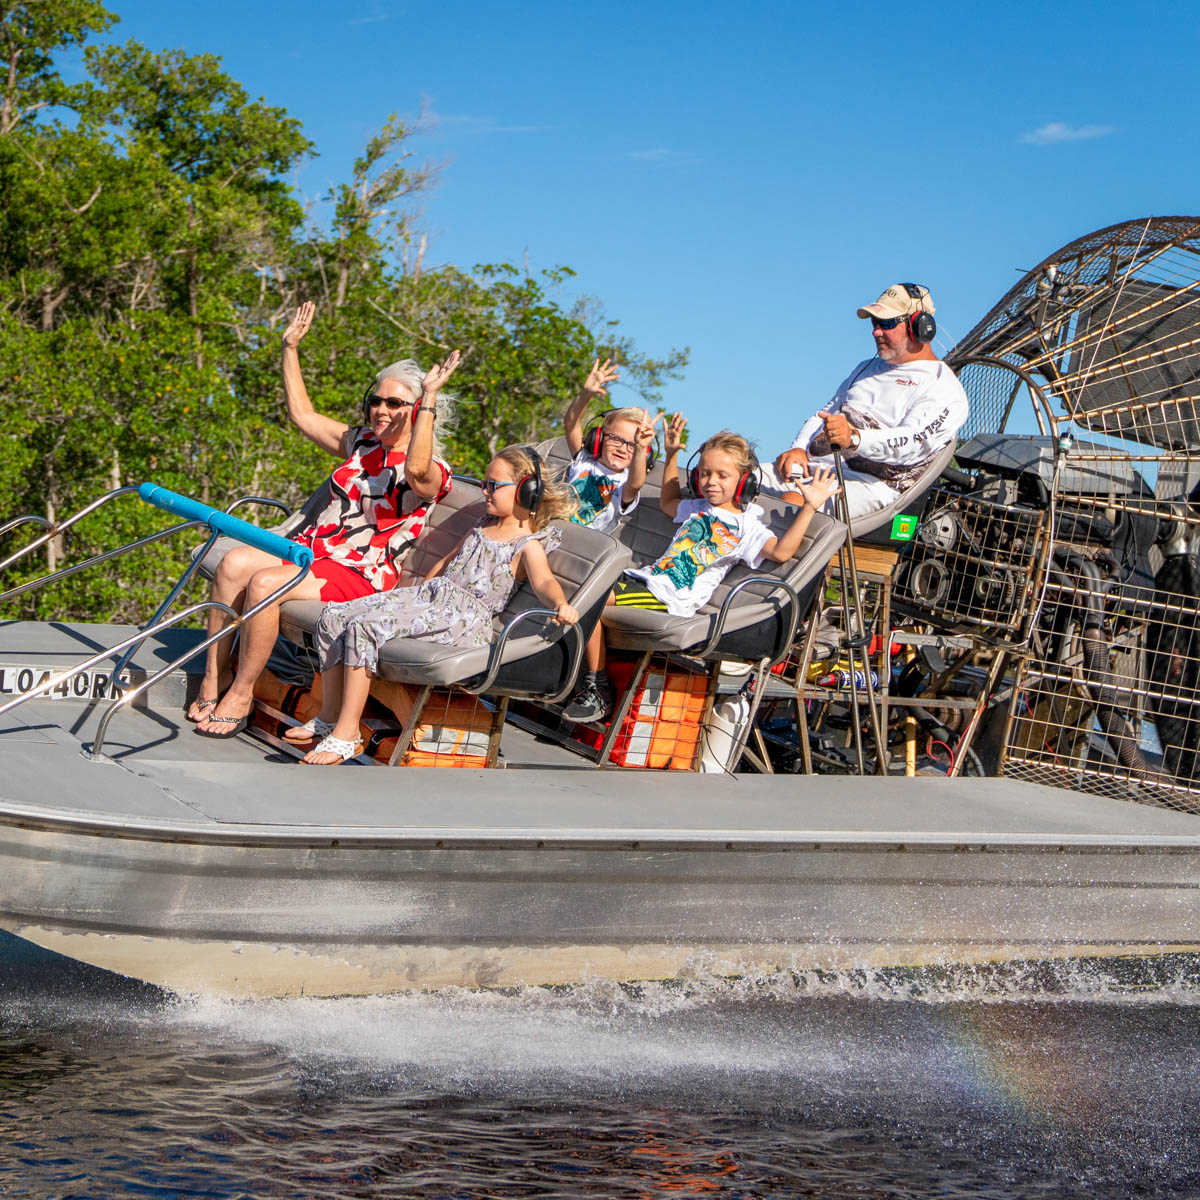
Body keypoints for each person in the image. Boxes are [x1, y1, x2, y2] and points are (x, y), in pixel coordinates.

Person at [191, 300, 459, 737]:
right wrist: (289, 348)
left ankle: (241, 692)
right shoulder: (362, 443)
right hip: (313, 553)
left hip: (362, 572)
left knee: (262, 584)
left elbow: (414, 473)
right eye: (375, 401)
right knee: (233, 563)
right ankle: (213, 677)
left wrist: (427, 398)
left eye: (395, 403)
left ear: (417, 411)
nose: (381, 410)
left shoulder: (432, 470)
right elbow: (303, 415)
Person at [290, 446, 581, 764]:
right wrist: (415, 594)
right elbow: (445, 564)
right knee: (334, 615)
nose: (485, 490)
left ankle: (347, 734)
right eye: (485, 483)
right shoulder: (483, 524)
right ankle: (329, 716)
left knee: (364, 628)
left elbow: (544, 582)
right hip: (433, 599)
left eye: (494, 486)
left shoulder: (529, 544)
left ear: (526, 489)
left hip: (463, 618)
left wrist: (561, 604)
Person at [563, 419, 840, 722]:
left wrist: (810, 508)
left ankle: (598, 687)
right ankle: (567, 673)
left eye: (722, 475)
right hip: (645, 580)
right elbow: (669, 501)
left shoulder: (748, 526)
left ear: (745, 482)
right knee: (576, 587)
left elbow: (782, 551)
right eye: (705, 474)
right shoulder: (697, 507)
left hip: (669, 598)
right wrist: (671, 455)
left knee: (593, 600)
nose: (711, 482)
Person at [770, 283, 969, 520]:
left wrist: (854, 438)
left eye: (887, 323)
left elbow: (911, 442)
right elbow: (824, 414)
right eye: (874, 323)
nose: (876, 332)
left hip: (871, 485)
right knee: (732, 477)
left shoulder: (943, 387)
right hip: (818, 470)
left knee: (791, 507)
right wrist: (799, 448)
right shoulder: (865, 368)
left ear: (920, 327)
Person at [558, 357, 658, 720]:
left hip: (585, 560)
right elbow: (571, 423)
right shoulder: (583, 461)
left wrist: (642, 451)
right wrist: (585, 395)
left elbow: (635, 483)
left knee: (589, 604)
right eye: (615, 438)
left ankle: (596, 683)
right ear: (599, 437)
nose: (621, 447)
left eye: (632, 445)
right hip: (551, 543)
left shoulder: (623, 485)